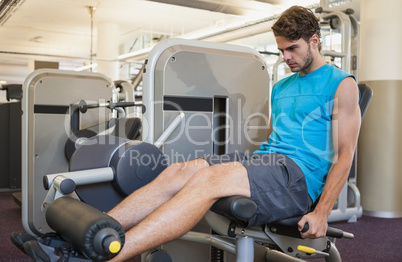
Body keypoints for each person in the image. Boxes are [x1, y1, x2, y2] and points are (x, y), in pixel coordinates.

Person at [17, 5, 361, 262]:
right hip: (268, 162)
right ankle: (84, 237)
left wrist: (321, 212)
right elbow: (278, 139)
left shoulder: (341, 84)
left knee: (207, 181)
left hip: (297, 179)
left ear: (315, 41)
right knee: (181, 170)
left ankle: (105, 255)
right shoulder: (283, 85)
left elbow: (345, 154)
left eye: (293, 49)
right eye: (281, 49)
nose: (285, 57)